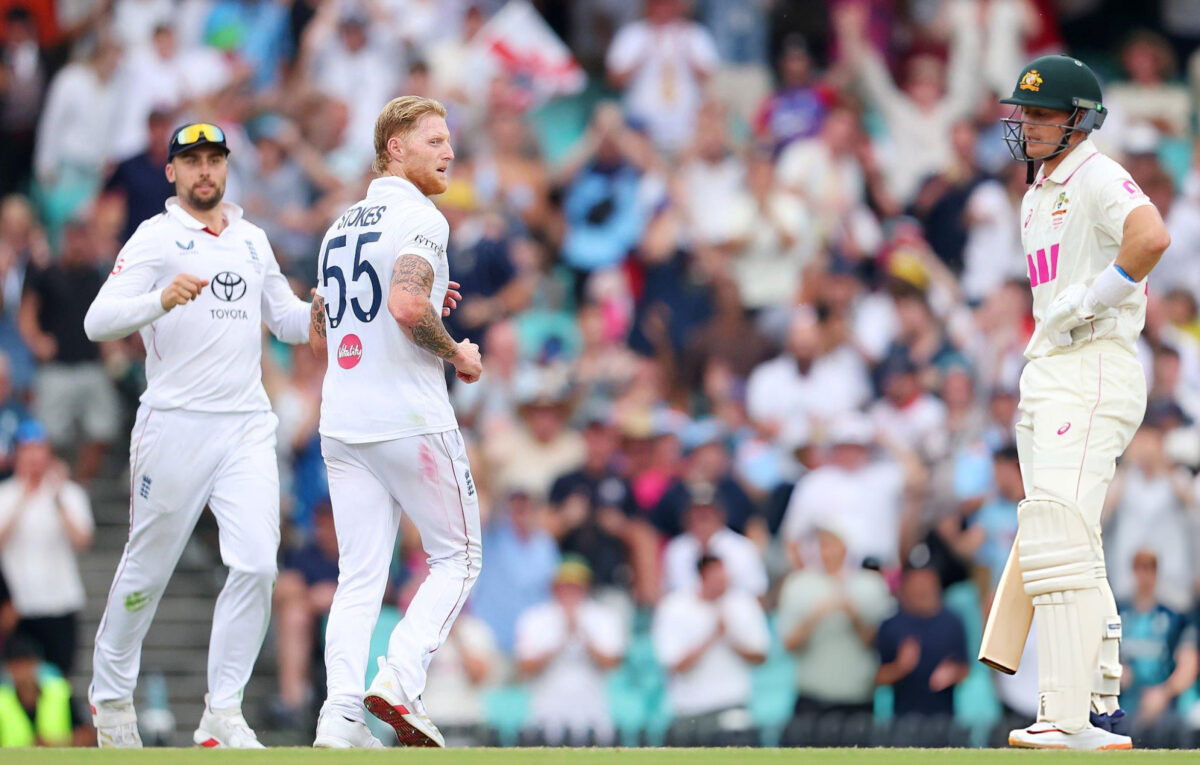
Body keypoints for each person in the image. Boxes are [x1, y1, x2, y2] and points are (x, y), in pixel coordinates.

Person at [83, 122, 313, 749]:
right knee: (147, 572)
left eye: (214, 160)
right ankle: (110, 702)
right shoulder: (156, 238)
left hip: (244, 427)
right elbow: (97, 321)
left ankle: (223, 712)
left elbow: (287, 323)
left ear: (226, 168)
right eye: (192, 161)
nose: (205, 171)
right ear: (172, 173)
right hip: (174, 426)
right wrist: (158, 299)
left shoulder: (252, 240)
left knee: (259, 563)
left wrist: (320, 309)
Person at [993, 55, 1172, 750]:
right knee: (1064, 534)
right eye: (1025, 113)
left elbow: (1150, 236)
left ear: (1078, 119)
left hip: (1094, 363)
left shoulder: (1096, 172)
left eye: (1041, 114)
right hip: (1050, 369)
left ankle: (1065, 714)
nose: (1028, 125)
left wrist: (1093, 298)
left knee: (1062, 529)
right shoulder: (1037, 193)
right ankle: (1096, 703)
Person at [309, 96, 482, 750]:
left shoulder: (341, 224)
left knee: (359, 577)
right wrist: (457, 349)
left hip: (343, 418)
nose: (448, 152)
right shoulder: (421, 216)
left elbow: (333, 315)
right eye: (433, 140)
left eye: (449, 141)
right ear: (394, 149)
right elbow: (409, 303)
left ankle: (340, 719)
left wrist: (428, 297)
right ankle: (401, 676)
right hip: (407, 415)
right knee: (459, 557)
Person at [19, 218, 118, 480]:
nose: (78, 244)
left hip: (91, 366)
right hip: (56, 368)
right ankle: (49, 486)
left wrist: (113, 351)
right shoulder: (46, 273)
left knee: (105, 429)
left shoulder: (99, 276)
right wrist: (37, 340)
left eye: (83, 237)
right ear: (64, 239)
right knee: (46, 435)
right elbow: (26, 314)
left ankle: (78, 486)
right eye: (74, 237)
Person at [0, 421, 92, 681]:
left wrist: (56, 495)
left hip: (60, 602)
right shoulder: (5, 495)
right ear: (17, 454)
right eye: (27, 450)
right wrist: (22, 497)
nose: (33, 457)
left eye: (39, 449)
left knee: (60, 680)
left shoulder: (68, 494)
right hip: (18, 607)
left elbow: (82, 540)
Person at [777, 522, 894, 718]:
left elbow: (878, 643)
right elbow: (789, 644)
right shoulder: (798, 584)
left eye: (832, 544)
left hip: (857, 698)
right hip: (812, 698)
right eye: (821, 544)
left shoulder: (870, 585)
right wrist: (816, 616)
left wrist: (852, 613)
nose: (826, 552)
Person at [514, 557, 626, 745]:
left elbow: (612, 663)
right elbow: (525, 666)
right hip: (545, 716)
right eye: (564, 587)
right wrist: (560, 638)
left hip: (592, 717)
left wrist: (582, 633)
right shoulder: (534, 618)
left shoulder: (603, 617)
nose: (570, 593)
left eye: (576, 587)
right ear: (554, 588)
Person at [652, 555, 768, 733]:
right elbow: (674, 665)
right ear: (702, 576)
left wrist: (729, 637)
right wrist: (712, 636)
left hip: (732, 703)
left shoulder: (743, 604)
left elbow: (760, 656)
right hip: (689, 708)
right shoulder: (674, 607)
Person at [1116, 550, 1198, 732]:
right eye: (1140, 569)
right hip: (1123, 704)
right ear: (1133, 572)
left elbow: (1188, 662)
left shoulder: (1173, 617)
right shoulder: (1118, 614)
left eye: (1150, 569)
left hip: (1162, 708)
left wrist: (1164, 692)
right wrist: (1115, 670)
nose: (1145, 576)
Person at [874, 564, 969, 719]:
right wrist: (900, 667)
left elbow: (965, 668)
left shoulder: (952, 622)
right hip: (902, 719)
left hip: (944, 719)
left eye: (927, 580)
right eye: (916, 581)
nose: (922, 587)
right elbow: (876, 678)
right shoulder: (891, 625)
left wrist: (952, 673)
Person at [0, 634, 72, 747]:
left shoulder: (59, 692)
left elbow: (86, 732)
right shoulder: (2, 700)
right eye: (17, 667)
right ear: (8, 668)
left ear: (38, 664)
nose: (23, 673)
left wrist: (57, 744)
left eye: (27, 665)